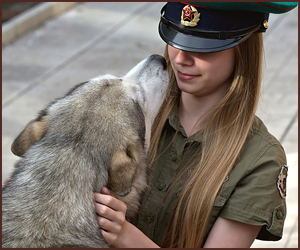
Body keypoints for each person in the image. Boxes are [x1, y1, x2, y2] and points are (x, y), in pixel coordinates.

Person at [71, 2, 298, 248]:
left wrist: (126, 236)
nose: (180, 58)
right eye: (176, 39)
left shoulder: (260, 160)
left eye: (204, 45)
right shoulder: (131, 112)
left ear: (242, 50)